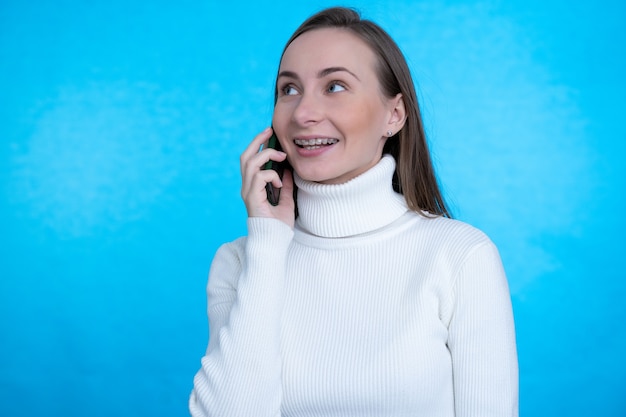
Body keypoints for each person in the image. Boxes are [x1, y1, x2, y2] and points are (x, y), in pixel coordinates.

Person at [189, 6, 518, 417]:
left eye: (336, 87)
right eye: (288, 90)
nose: (304, 113)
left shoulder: (459, 255)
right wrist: (269, 241)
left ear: (394, 115)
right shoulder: (240, 262)